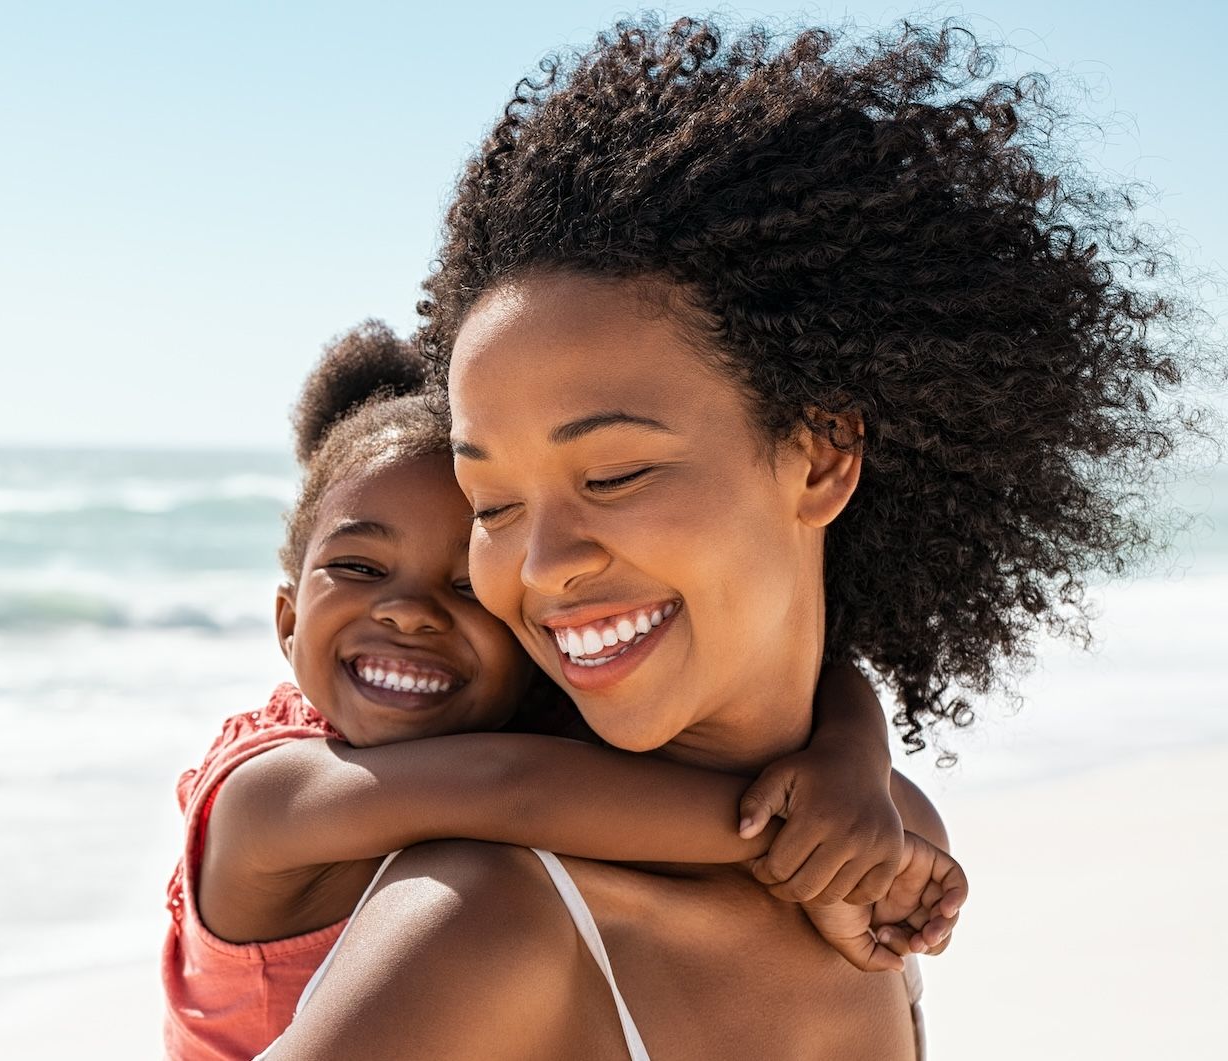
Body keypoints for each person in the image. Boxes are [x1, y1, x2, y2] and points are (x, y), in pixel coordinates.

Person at [264, 18, 1203, 1060]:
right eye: (491, 505)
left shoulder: (877, 844)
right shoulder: (479, 919)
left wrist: (852, 753)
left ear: (818, 456)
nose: (537, 565)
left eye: (612, 473)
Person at [162, 322, 962, 1061]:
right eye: (360, 568)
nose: (407, 612)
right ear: (287, 620)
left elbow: (828, 688)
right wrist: (816, 844)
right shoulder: (266, 793)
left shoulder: (512, 724)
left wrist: (853, 762)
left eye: (467, 588)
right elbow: (512, 789)